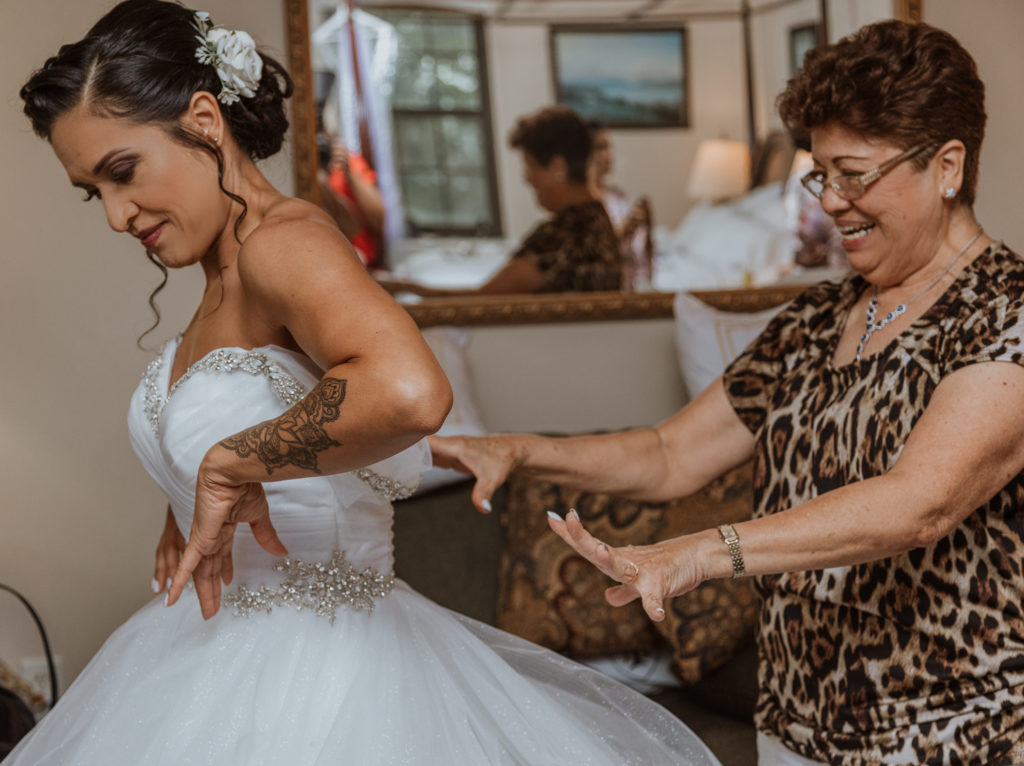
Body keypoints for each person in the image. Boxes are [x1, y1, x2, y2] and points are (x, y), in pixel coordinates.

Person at [7, 2, 720, 763]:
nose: (116, 215)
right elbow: (256, 403)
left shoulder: (282, 244)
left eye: (123, 173)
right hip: (214, 655)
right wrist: (184, 490)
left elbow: (411, 392)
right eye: (94, 192)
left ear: (206, 120)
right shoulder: (227, 268)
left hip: (324, 677)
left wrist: (229, 462)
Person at [431, 20, 1024, 765]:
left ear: (947, 165)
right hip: (792, 722)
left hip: (944, 732)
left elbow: (919, 503)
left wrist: (702, 553)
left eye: (856, 174)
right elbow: (669, 453)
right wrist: (520, 450)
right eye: (821, 175)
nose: (832, 202)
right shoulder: (818, 317)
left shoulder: (1007, 311)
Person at [380, 105, 622, 297]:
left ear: (558, 167)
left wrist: (407, 288)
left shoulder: (567, 234)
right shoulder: (595, 220)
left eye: (530, 167)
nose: (527, 179)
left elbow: (484, 300)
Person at [316, 133, 385, 268]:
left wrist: (350, 173)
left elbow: (379, 220)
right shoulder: (302, 168)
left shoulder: (349, 162)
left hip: (357, 251)